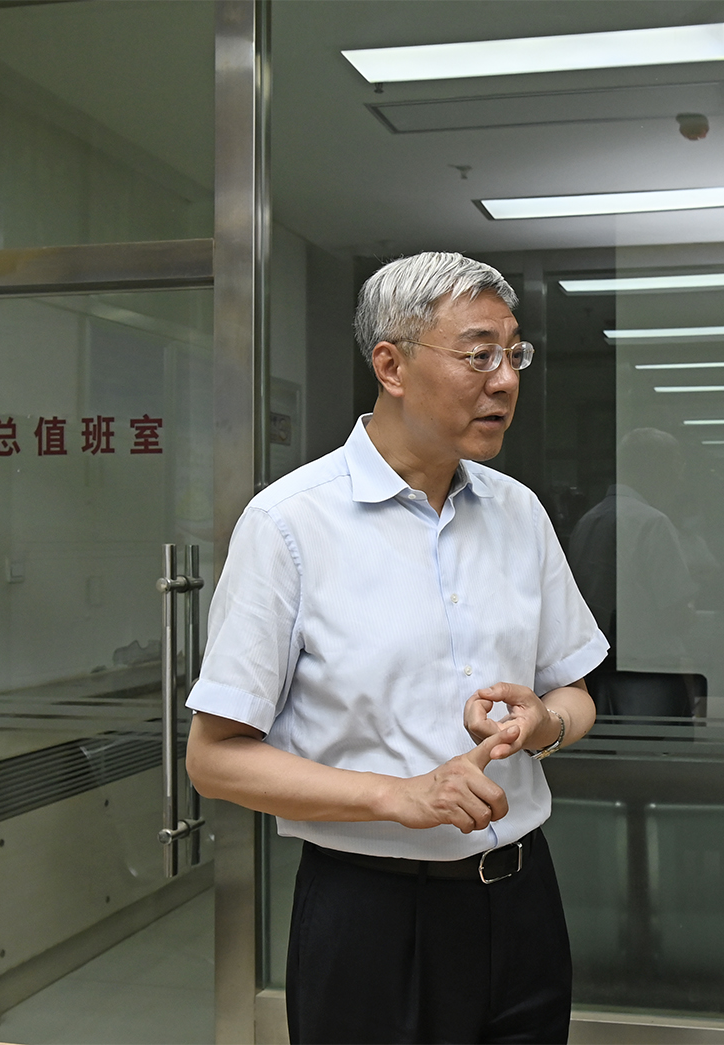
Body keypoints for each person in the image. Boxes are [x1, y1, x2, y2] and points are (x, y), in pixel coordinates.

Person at [183, 252, 609, 1044]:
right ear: (392, 366)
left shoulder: (519, 512)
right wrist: (398, 796)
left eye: (513, 354)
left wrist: (543, 723)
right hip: (369, 914)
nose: (505, 380)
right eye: (478, 354)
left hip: (520, 900)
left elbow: (576, 695)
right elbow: (214, 759)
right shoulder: (289, 524)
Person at [569, 427, 698, 716]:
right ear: (654, 470)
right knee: (657, 744)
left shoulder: (587, 521)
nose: (679, 479)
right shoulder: (653, 523)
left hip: (595, 673)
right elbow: (676, 613)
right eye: (675, 468)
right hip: (650, 675)